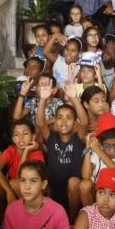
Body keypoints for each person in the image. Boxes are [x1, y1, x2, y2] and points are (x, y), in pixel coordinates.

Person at [36, 80, 88, 220]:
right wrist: (43, 99)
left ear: (75, 122)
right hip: (53, 187)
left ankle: (72, 221)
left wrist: (74, 98)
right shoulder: (52, 137)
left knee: (73, 181)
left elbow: (84, 122)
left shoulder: (78, 138)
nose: (64, 122)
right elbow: (40, 122)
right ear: (55, 121)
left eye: (69, 118)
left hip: (72, 190)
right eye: (60, 118)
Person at [80, 113, 115, 207]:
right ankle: (91, 213)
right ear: (101, 143)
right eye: (107, 145)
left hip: (114, 191)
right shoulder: (96, 152)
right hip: (97, 191)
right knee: (84, 184)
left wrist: (98, 150)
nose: (112, 150)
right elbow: (86, 176)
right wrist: (88, 147)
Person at [0, 118, 46, 203]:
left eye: (25, 133)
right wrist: (8, 191)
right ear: (13, 139)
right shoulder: (10, 151)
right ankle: (2, 209)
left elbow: (20, 177)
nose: (21, 138)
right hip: (13, 187)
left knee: (14, 183)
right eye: (16, 134)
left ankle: (25, 209)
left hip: (32, 189)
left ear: (33, 137)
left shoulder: (37, 154)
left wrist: (26, 150)